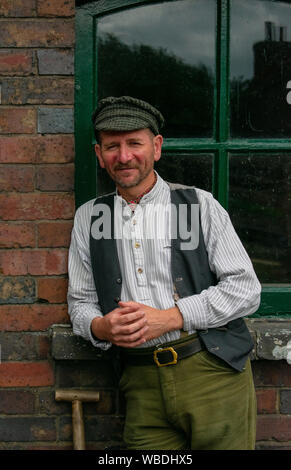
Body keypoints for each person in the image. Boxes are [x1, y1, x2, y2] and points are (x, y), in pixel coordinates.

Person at [67, 96, 261, 450]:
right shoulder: (90, 217)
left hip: (211, 370)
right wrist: (100, 327)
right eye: (112, 146)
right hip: (139, 382)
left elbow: (245, 289)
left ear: (156, 147)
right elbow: (81, 302)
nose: (123, 156)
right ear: (99, 154)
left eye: (134, 143)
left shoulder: (197, 204)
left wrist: (172, 318)